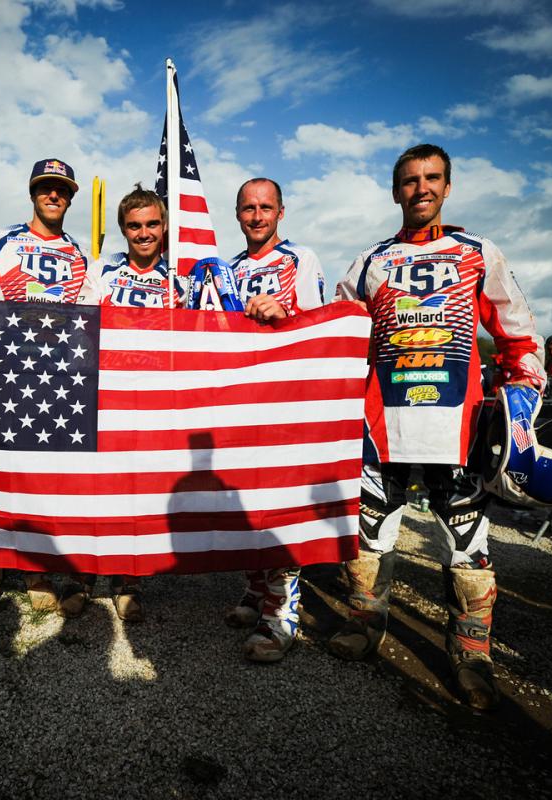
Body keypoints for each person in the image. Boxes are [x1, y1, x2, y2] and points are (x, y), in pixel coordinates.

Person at [331, 144, 544, 710]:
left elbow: (521, 334)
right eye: (409, 180)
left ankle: (472, 652)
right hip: (382, 429)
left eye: (432, 179)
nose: (421, 188)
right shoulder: (371, 260)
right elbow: (335, 331)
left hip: (460, 430)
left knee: (469, 549)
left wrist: (521, 398)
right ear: (395, 189)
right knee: (368, 538)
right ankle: (364, 621)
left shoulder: (479, 252)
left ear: (447, 187)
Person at [0, 158, 90, 618]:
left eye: (61, 190)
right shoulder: (3, 241)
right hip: (4, 374)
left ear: (71, 197)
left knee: (39, 480)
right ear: (32, 193)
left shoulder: (80, 254)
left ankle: (37, 570)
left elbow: (88, 320)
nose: (53, 196)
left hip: (53, 381)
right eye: (44, 188)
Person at [221, 178, 326, 662]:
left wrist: (287, 313)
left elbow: (322, 330)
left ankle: (282, 614)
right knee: (243, 504)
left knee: (280, 508)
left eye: (266, 207)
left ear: (281, 212)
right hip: (241, 405)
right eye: (248, 208)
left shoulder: (300, 259)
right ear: (237, 214)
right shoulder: (228, 270)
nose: (257, 216)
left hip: (286, 404)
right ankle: (257, 594)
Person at [81, 184, 182, 621]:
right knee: (92, 490)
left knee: (136, 495)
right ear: (123, 229)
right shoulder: (102, 272)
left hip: (154, 405)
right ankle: (81, 575)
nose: (144, 233)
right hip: (104, 399)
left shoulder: (181, 280)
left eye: (152, 224)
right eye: (134, 226)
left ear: (164, 227)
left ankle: (128, 580)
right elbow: (80, 330)